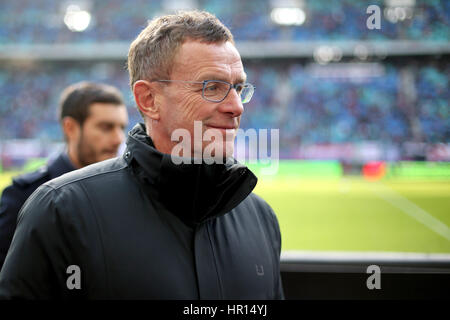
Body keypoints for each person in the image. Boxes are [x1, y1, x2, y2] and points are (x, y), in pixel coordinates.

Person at [0, 11, 284, 299]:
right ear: (149, 100)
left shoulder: (261, 219)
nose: (237, 107)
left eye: (238, 87)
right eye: (212, 87)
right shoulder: (60, 211)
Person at [0, 81, 128, 270]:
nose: (118, 138)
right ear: (71, 128)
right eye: (106, 127)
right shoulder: (24, 196)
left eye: (121, 127)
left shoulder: (127, 190)